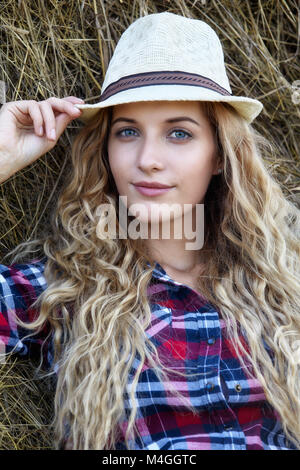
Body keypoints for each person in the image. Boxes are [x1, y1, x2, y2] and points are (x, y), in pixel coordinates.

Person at [0, 11, 299, 451]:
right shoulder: (63, 289)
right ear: (105, 151)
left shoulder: (287, 281)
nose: (148, 159)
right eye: (127, 132)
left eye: (179, 133)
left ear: (220, 155)